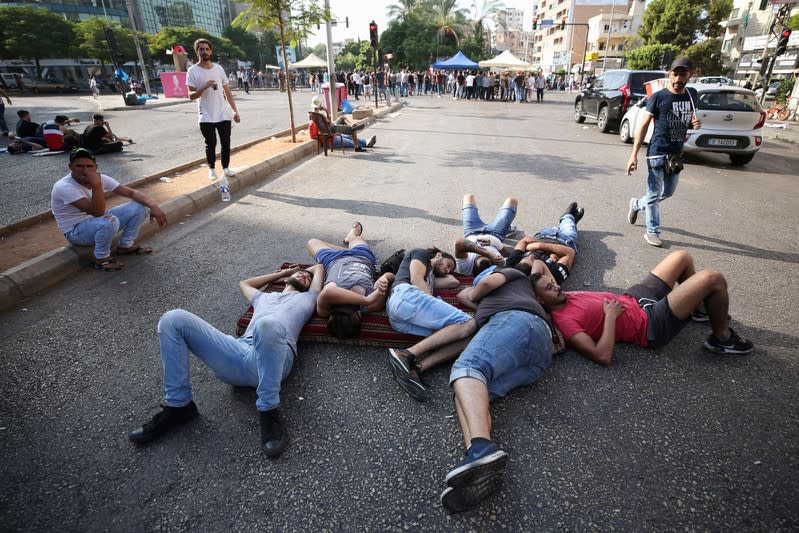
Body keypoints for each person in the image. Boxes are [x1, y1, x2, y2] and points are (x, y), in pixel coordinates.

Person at [128, 264, 324, 457]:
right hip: (239, 351)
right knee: (172, 319)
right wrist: (286, 272)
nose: (304, 276)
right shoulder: (263, 297)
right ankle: (180, 406)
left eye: (307, 277)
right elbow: (245, 283)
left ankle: (269, 410)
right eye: (300, 273)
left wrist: (306, 271)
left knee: (267, 325)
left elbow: (319, 267)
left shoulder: (307, 298)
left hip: (276, 357)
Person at [440, 262, 554, 513]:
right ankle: (479, 467)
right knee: (468, 392)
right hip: (540, 353)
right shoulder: (508, 296)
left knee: (467, 368)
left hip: (520, 323)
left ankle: (481, 447)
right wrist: (479, 299)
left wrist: (482, 288)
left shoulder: (513, 274)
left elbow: (480, 287)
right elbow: (465, 295)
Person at [533, 250, 754, 366]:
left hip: (635, 298)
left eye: (552, 282)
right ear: (541, 301)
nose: (555, 285)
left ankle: (697, 308)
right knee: (712, 278)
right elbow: (602, 356)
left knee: (681, 257)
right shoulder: (565, 322)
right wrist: (610, 317)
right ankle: (721, 339)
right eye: (549, 288)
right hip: (649, 324)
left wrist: (527, 274)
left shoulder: (559, 295)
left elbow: (538, 264)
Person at [50, 148, 167, 271]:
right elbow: (97, 212)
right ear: (70, 167)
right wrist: (96, 185)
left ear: (96, 167)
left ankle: (125, 246)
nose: (85, 171)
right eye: (79, 166)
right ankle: (101, 258)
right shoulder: (64, 187)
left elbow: (131, 193)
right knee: (109, 221)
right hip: (75, 232)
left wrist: (153, 205)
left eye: (89, 166)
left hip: (96, 221)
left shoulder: (101, 178)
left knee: (140, 206)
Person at [626, 56, 701, 247]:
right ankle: (652, 231)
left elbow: (692, 118)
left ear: (690, 75)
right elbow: (643, 125)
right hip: (657, 152)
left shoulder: (692, 95)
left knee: (668, 192)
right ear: (670, 73)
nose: (678, 79)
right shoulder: (658, 97)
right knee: (653, 194)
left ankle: (636, 205)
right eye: (675, 74)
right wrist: (633, 155)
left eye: (682, 75)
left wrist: (696, 123)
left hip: (676, 153)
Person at [386, 248, 476, 402]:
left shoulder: (431, 277)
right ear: (439, 255)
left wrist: (442, 271)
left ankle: (417, 368)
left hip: (401, 316)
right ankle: (405, 354)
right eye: (448, 264)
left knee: (467, 337)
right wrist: (434, 304)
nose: (448, 269)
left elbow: (454, 282)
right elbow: (415, 278)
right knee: (469, 322)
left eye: (450, 269)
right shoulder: (420, 254)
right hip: (405, 295)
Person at [468, 201, 585, 291]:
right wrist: (538, 245)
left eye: (525, 257)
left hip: (543, 235)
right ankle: (569, 217)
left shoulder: (512, 264)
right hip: (565, 240)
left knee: (562, 225)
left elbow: (525, 240)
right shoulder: (552, 277)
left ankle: (570, 219)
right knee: (568, 222)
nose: (530, 256)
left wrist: (539, 245)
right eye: (532, 259)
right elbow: (569, 253)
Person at [306, 222, 394, 338]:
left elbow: (328, 292)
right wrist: (384, 278)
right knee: (356, 238)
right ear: (359, 315)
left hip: (332, 260)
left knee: (312, 242)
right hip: (362, 257)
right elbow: (391, 276)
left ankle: (346, 244)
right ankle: (351, 238)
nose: (345, 305)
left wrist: (366, 300)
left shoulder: (324, 310)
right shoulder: (373, 304)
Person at [187, 38, 241, 180]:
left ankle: (226, 168)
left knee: (225, 143)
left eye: (206, 49)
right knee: (211, 143)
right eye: (201, 49)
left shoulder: (218, 69)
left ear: (211, 51)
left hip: (223, 112)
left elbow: (227, 92)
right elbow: (191, 96)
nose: (204, 51)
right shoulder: (192, 71)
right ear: (197, 51)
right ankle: (211, 168)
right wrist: (203, 87)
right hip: (206, 114)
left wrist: (235, 111)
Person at [453, 194, 518, 278]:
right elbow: (508, 255)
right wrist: (495, 243)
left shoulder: (465, 269)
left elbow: (459, 242)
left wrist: (488, 254)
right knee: (512, 201)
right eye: (489, 258)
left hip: (472, 231)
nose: (486, 255)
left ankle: (507, 228)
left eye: (481, 256)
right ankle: (506, 229)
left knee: (468, 197)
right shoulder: (498, 266)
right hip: (496, 234)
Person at [309, 95, 375, 151]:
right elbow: (314, 135)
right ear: (320, 105)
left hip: (332, 133)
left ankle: (365, 140)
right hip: (331, 139)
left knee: (348, 135)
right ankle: (362, 143)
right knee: (350, 140)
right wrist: (325, 136)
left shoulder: (317, 117)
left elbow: (328, 124)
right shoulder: (320, 117)